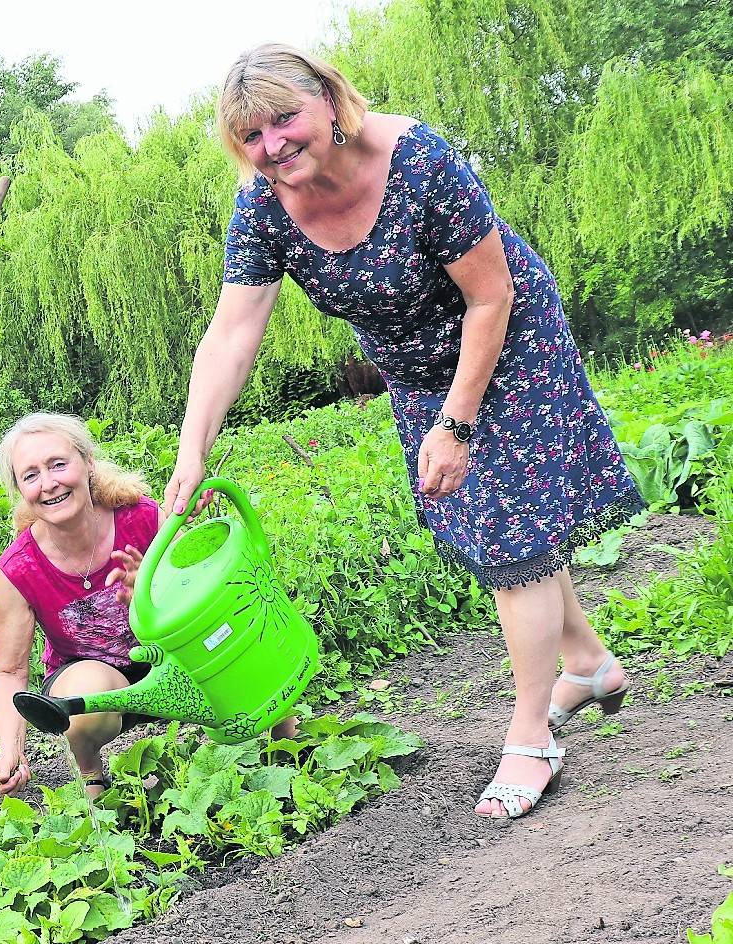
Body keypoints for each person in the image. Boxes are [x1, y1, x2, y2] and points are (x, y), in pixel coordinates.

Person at [164, 45, 643, 822]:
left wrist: (457, 425)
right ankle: (586, 665)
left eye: (285, 118)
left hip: (508, 336)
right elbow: (232, 331)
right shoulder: (261, 207)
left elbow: (491, 295)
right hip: (415, 369)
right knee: (496, 525)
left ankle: (532, 737)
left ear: (327, 100)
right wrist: (193, 449)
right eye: (251, 134)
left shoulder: (419, 161)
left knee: (507, 531)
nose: (273, 144)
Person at [0, 414, 298, 799]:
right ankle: (91, 773)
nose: (48, 484)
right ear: (20, 490)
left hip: (175, 664)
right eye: (30, 475)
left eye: (58, 465)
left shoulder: (144, 518)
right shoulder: (20, 568)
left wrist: (157, 590)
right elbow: (8, 669)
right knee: (85, 697)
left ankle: (285, 735)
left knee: (232, 633)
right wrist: (10, 746)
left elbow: (211, 596)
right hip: (102, 685)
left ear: (88, 464)